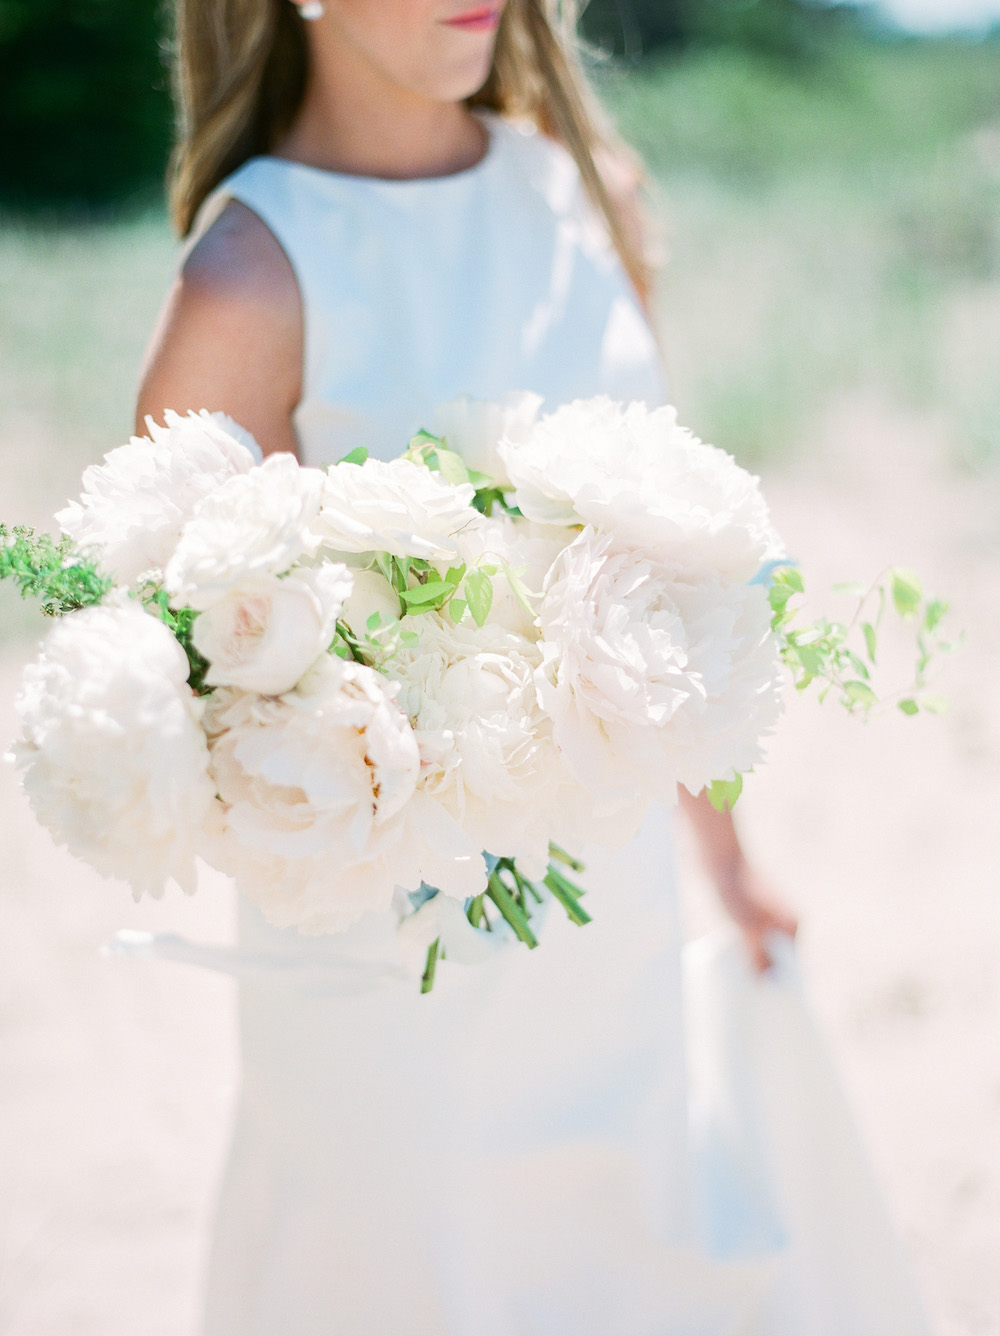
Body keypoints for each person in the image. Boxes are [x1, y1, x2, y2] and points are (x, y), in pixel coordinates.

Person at [135, 3, 929, 1333]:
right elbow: (184, 685)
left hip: (602, 928)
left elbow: (672, 573)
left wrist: (726, 857)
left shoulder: (585, 196)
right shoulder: (252, 278)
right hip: (389, 975)